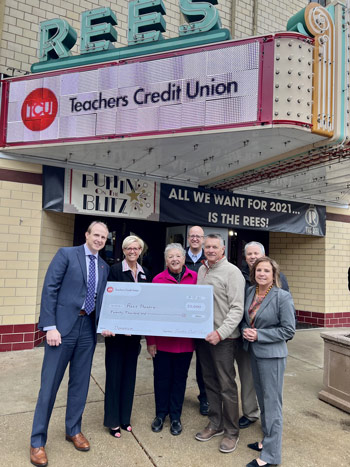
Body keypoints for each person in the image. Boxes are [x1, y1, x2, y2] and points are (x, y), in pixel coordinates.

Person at [30, 221, 109, 467]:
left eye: (103, 237)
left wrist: (107, 324)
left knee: (80, 382)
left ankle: (73, 429)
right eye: (95, 234)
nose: (99, 239)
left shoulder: (104, 266)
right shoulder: (66, 254)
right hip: (62, 329)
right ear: (87, 235)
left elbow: (104, 299)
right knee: (49, 385)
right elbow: (50, 289)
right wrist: (49, 326)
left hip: (88, 329)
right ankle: (37, 442)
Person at [242, 256, 295, 467]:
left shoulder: (282, 297)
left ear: (274, 275)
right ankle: (267, 441)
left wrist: (259, 335)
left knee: (273, 405)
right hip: (254, 353)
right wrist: (245, 331)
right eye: (258, 270)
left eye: (266, 271)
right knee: (264, 402)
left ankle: (271, 456)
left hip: (272, 356)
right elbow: (246, 320)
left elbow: (288, 330)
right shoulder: (250, 292)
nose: (262, 274)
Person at [195, 233, 245, 454]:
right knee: (210, 382)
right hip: (204, 337)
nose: (211, 250)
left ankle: (232, 431)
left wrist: (221, 333)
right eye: (207, 247)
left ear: (223, 249)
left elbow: (237, 309)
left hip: (223, 339)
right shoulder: (202, 270)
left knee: (227, 385)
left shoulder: (232, 272)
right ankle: (215, 424)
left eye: (215, 247)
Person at [102, 235, 150, 438]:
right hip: (116, 334)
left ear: (140, 251)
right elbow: (108, 300)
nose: (132, 251)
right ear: (123, 250)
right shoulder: (114, 270)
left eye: (136, 248)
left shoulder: (145, 273)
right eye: (129, 248)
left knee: (129, 376)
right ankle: (112, 421)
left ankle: (124, 418)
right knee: (114, 377)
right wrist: (107, 324)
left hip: (133, 336)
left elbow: (147, 301)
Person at [238, 242, 290, 430]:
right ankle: (251, 414)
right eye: (249, 254)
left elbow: (286, 322)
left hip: (270, 346)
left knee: (270, 393)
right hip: (247, 342)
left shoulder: (280, 283)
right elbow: (244, 312)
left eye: (256, 253)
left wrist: (270, 339)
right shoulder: (243, 279)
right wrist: (245, 330)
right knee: (250, 382)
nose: (252, 256)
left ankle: (271, 433)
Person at [147, 243, 196, 436]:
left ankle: (175, 416)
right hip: (162, 342)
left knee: (179, 380)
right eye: (170, 257)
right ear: (166, 260)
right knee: (161, 379)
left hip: (185, 343)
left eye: (178, 256)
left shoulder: (195, 279)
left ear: (184, 259)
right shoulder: (157, 280)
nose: (174, 260)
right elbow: (150, 312)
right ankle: (160, 414)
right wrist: (151, 341)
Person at [185, 225, 208, 416]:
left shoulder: (208, 260)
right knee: (180, 359)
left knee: (203, 363)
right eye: (191, 236)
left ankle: (204, 398)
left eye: (198, 236)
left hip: (201, 319)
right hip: (182, 319)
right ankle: (176, 395)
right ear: (188, 238)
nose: (194, 239)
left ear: (203, 239)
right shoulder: (178, 257)